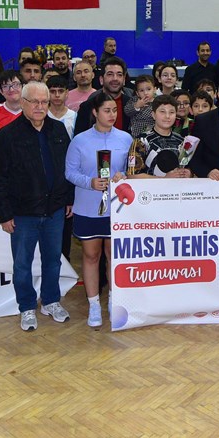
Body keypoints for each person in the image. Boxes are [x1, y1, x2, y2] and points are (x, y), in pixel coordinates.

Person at [0, 80, 73, 330]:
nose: (39, 106)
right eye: (34, 101)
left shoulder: (58, 129)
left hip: (54, 210)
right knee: (22, 264)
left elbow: (67, 168)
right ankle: (26, 307)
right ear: (23, 102)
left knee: (53, 260)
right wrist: (4, 214)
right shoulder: (7, 135)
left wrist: (68, 199)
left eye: (44, 102)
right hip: (22, 213)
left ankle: (51, 301)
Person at [65, 90, 133, 328]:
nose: (112, 115)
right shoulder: (80, 140)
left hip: (117, 208)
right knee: (91, 255)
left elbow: (131, 169)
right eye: (106, 110)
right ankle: (93, 303)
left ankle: (115, 299)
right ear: (95, 112)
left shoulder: (125, 138)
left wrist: (123, 176)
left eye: (114, 110)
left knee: (114, 256)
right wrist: (90, 182)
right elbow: (70, 172)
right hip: (88, 206)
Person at [73, 57, 134, 135]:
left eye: (119, 75)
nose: (115, 78)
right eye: (110, 74)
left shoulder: (133, 105)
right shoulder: (87, 107)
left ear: (124, 80)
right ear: (101, 80)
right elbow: (79, 138)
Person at [136, 95, 191, 178]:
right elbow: (132, 175)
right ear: (153, 115)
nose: (167, 116)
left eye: (171, 112)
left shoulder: (182, 141)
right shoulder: (141, 140)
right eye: (162, 112)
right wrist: (164, 179)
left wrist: (189, 173)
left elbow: (188, 168)